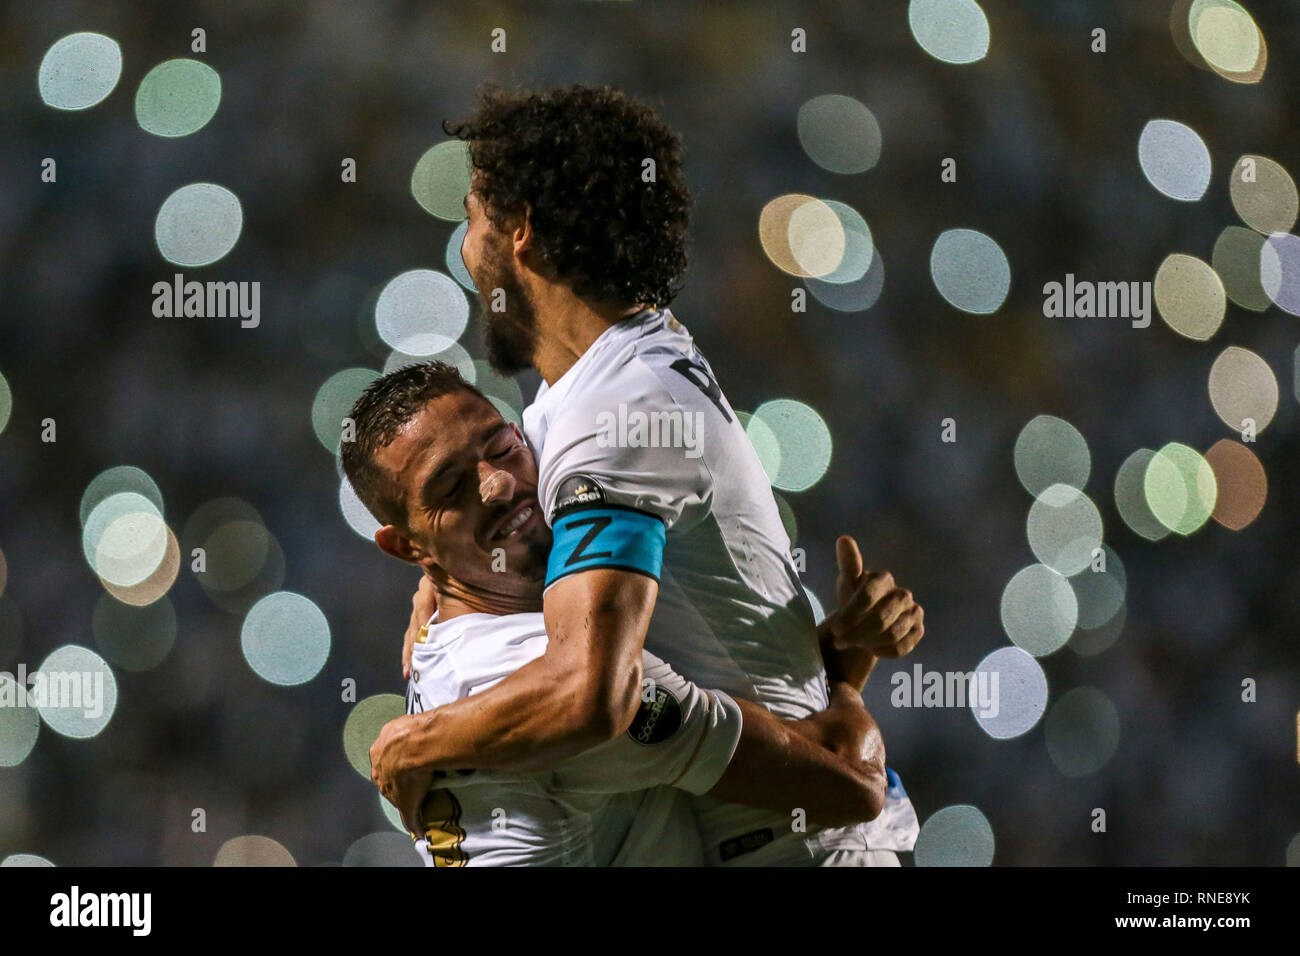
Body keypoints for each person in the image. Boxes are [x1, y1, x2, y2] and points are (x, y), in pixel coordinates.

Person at [369, 83, 924, 865]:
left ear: (520, 233)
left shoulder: (614, 417)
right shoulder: (616, 374)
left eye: (471, 218)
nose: (464, 250)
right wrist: (436, 580)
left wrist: (412, 741)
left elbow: (594, 693)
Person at [343, 363, 895, 865]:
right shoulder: (572, 681)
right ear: (405, 547)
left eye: (503, 447)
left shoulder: (451, 638)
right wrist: (846, 677)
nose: (499, 484)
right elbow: (851, 785)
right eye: (450, 487)